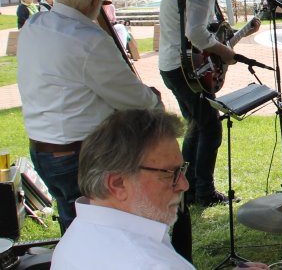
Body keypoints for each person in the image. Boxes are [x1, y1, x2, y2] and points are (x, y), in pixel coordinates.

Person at [17, 0, 162, 233]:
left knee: (73, 225)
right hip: (78, 155)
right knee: (97, 231)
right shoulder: (88, 39)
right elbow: (131, 97)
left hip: (43, 151)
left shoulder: (33, 25)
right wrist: (153, 99)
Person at [52, 109, 268, 270]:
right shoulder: (149, 263)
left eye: (182, 169)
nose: (184, 184)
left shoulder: (79, 233)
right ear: (118, 184)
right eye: (169, 173)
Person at [159, 0, 260, 207]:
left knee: (197, 127)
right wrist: (225, 52)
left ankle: (189, 188)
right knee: (210, 128)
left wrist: (239, 35)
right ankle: (202, 190)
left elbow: (201, 33)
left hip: (173, 66)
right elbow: (196, 33)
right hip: (183, 69)